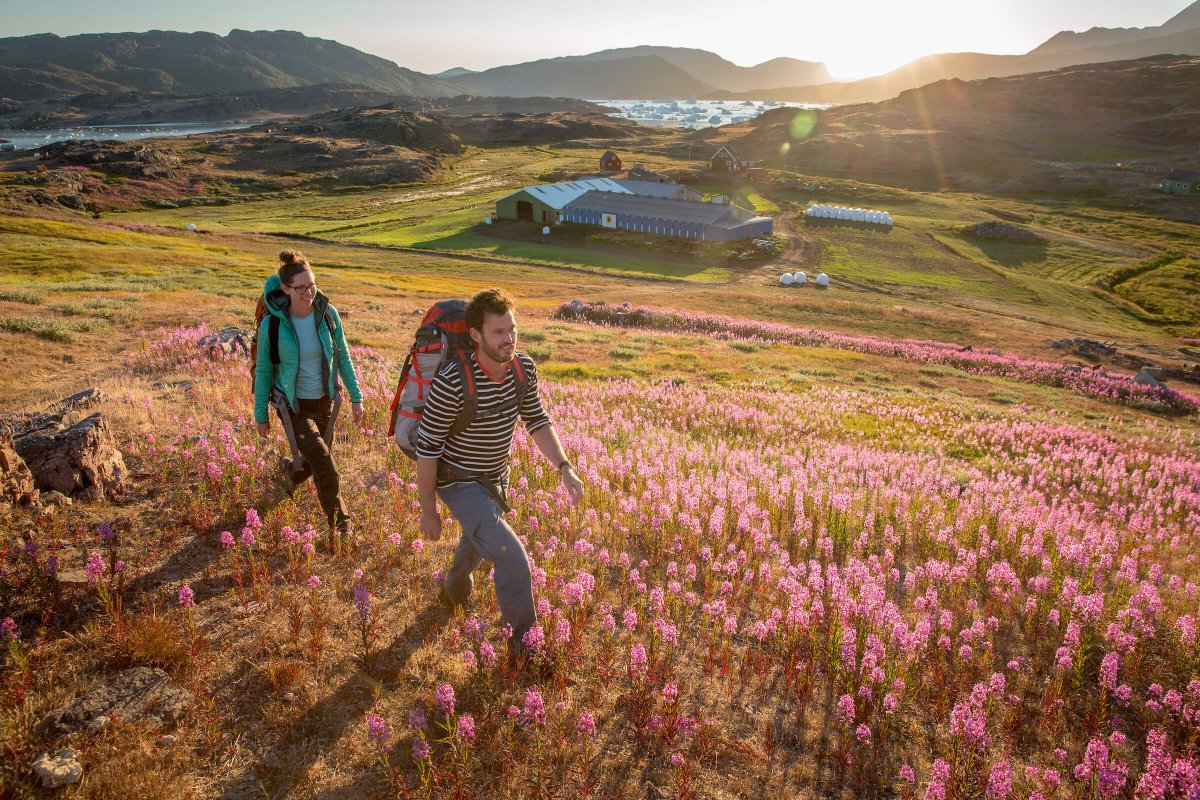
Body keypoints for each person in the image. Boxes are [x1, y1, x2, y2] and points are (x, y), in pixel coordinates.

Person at [416, 288, 584, 662]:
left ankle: (452, 592)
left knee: (477, 541)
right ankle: (526, 651)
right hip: (457, 480)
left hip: (495, 477)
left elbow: (537, 420)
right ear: (476, 335)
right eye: (498, 332)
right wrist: (428, 509)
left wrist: (564, 467)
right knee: (511, 558)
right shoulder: (453, 380)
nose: (508, 339)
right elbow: (427, 448)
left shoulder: (523, 369)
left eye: (512, 329)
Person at [254, 250, 364, 549]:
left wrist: (356, 396)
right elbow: (264, 369)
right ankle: (341, 525)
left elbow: (343, 355)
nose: (309, 292)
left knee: (316, 456)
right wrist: (260, 414)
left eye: (312, 284)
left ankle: (292, 471)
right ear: (285, 290)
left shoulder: (328, 314)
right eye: (301, 287)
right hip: (293, 405)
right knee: (325, 461)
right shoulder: (273, 325)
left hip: (324, 400)